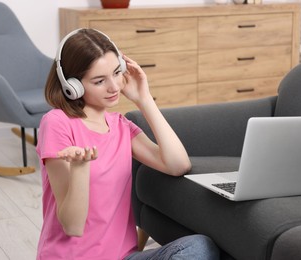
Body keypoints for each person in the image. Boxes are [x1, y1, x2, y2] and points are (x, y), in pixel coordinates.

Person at [36, 28, 220, 259]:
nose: (114, 87)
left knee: (198, 247)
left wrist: (144, 99)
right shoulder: (57, 123)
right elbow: (72, 226)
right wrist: (80, 168)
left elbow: (178, 165)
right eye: (99, 80)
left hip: (123, 257)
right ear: (73, 86)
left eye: (116, 73)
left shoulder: (121, 126)